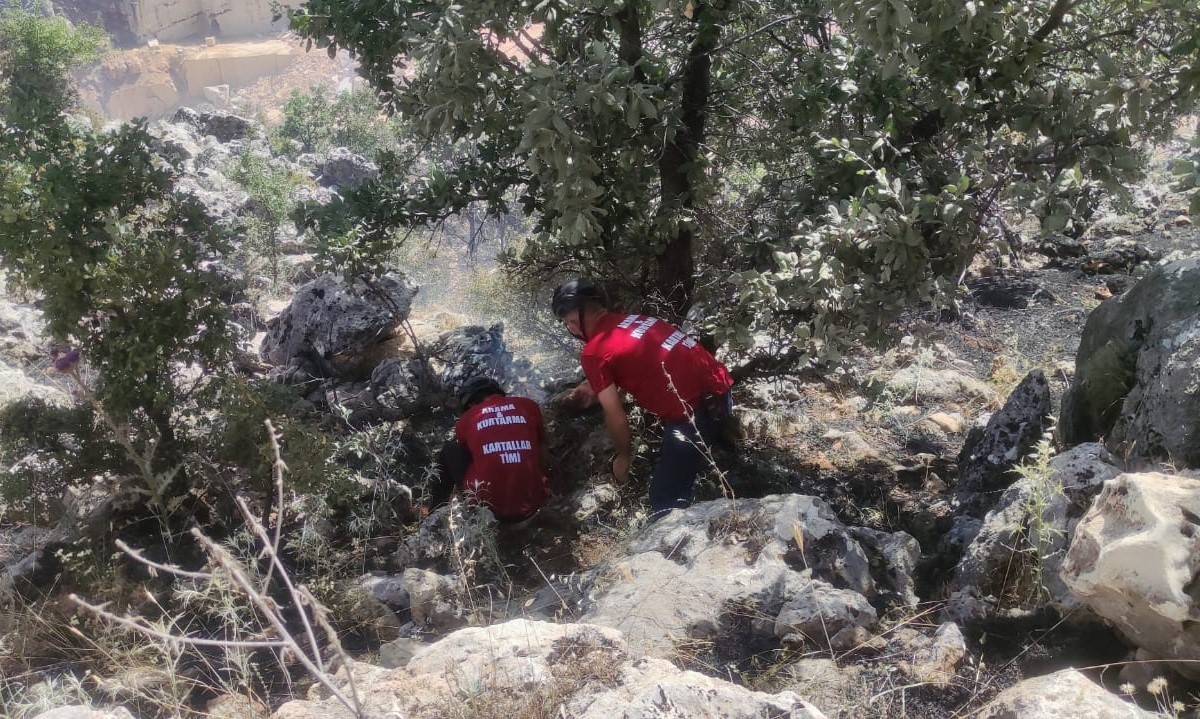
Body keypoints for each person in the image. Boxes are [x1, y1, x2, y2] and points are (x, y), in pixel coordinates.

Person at [551, 279, 735, 516]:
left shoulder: (594, 352)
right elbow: (638, 360)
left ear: (574, 321)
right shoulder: (633, 319)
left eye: (568, 323)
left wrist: (623, 457)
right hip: (721, 388)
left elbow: (615, 416)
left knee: (663, 499)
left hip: (699, 412)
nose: (572, 329)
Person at [428, 376, 550, 524]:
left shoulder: (467, 419)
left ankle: (435, 512)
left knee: (450, 449)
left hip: (489, 512)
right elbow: (542, 448)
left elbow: (467, 451)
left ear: (471, 403)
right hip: (533, 505)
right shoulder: (529, 405)